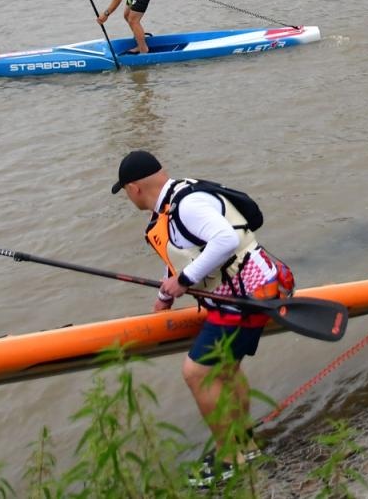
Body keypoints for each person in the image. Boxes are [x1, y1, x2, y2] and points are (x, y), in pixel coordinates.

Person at [112, 150, 289, 487]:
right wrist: (164, 296)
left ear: (133, 188)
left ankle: (229, 457)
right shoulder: (172, 204)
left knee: (197, 372)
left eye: (124, 192)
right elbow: (183, 255)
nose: (127, 198)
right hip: (240, 296)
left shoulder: (187, 205)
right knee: (226, 369)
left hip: (247, 297)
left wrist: (182, 282)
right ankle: (245, 445)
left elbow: (224, 240)